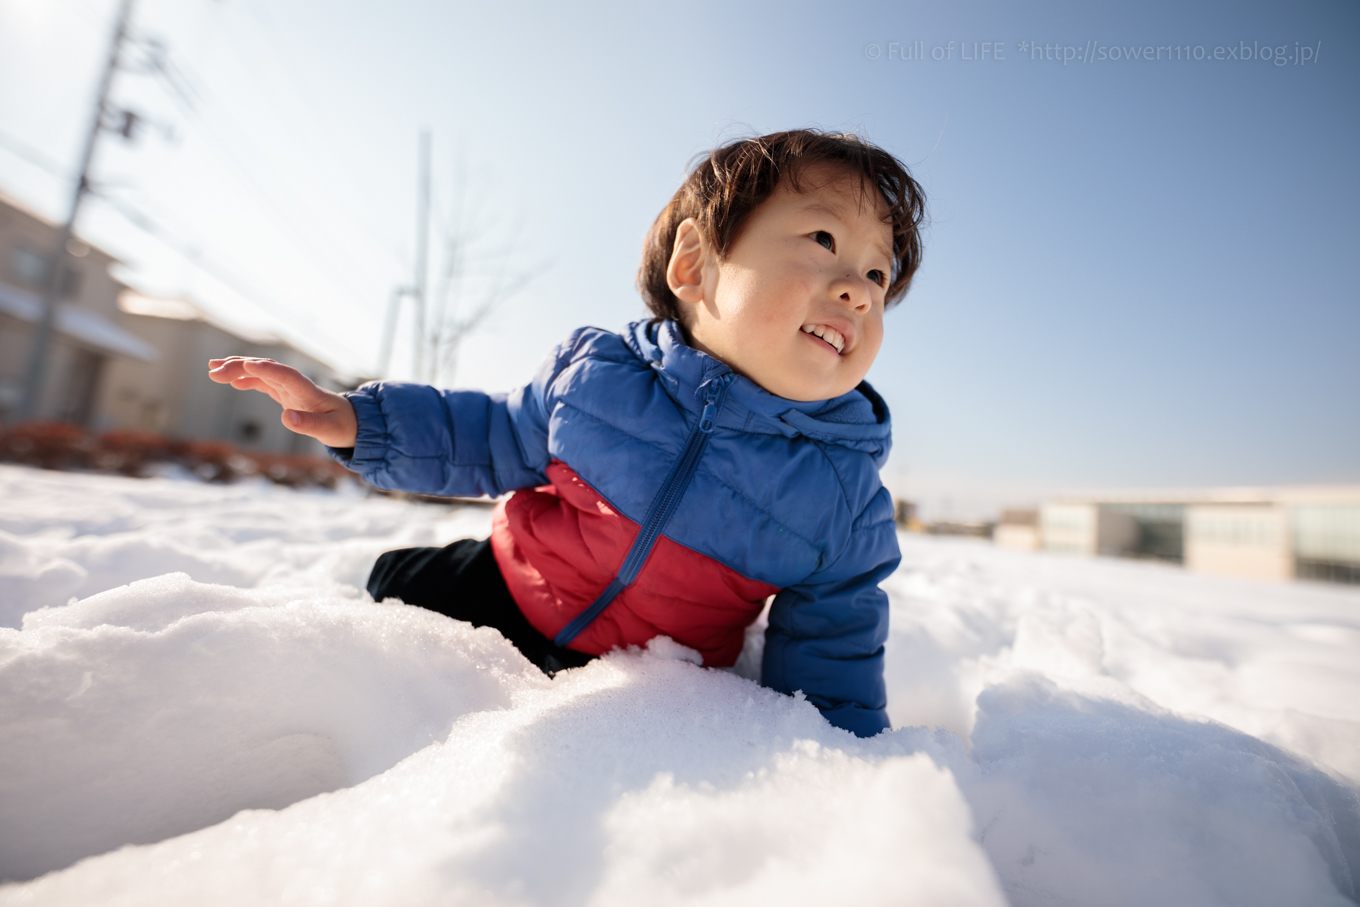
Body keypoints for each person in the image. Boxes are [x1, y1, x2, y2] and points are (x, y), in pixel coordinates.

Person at [208, 129, 926, 737]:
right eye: (823, 240)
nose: (857, 289)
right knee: (380, 598)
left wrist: (836, 766)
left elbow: (832, 649)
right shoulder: (598, 379)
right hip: (505, 586)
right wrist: (360, 420)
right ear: (695, 266)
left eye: (875, 272)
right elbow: (486, 433)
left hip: (650, 676)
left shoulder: (843, 497)